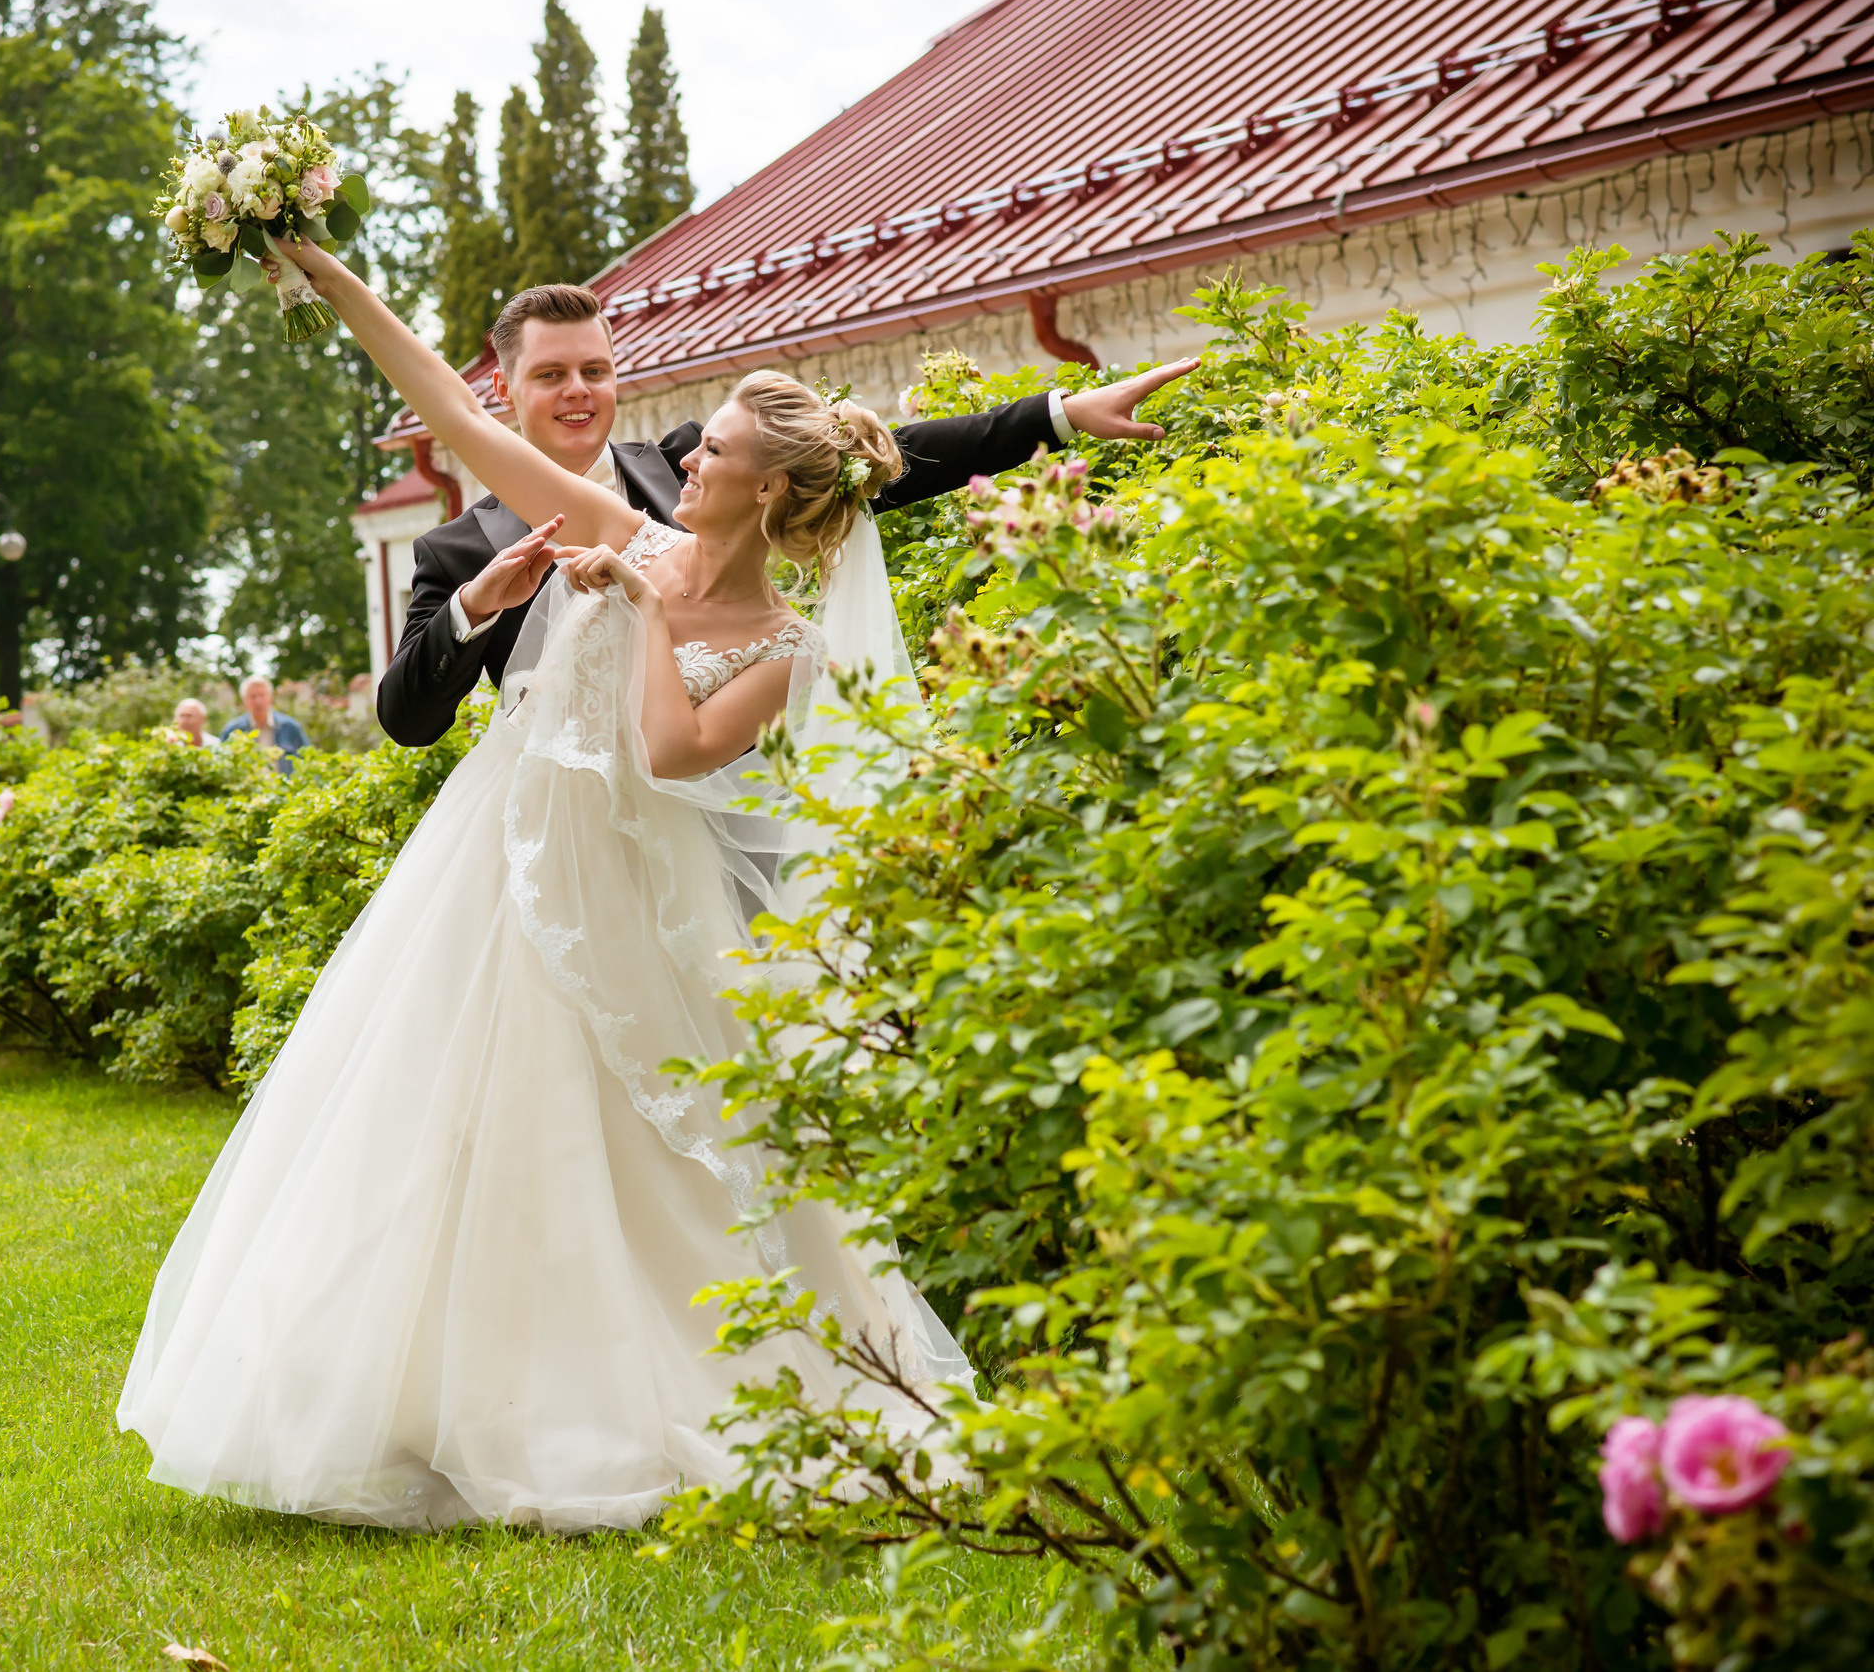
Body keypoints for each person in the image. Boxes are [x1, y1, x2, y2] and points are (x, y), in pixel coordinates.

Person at [116, 234, 1192, 1533]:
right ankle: (427, 1393)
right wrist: (336, 284)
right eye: (692, 439)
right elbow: (451, 413)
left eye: (717, 449)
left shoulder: (757, 625)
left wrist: (634, 599)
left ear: (767, 488)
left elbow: (678, 742)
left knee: (655, 1146)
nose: (687, 452)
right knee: (461, 1123)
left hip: (643, 883)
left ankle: (647, 1396)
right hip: (509, 866)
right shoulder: (610, 527)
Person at [375, 280, 1199, 747]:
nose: (580, 391)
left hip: (707, 834)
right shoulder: (455, 547)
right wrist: (475, 606)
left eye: (596, 368)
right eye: (552, 375)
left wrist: (1057, 415)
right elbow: (406, 719)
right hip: (548, 844)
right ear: (504, 392)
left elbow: (874, 463)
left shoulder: (684, 470)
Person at [218, 675, 310, 771]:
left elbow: (308, 760)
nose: (258, 701)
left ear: (270, 696)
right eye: (253, 697)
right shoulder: (232, 731)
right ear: (244, 700)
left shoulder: (291, 728)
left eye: (262, 695)